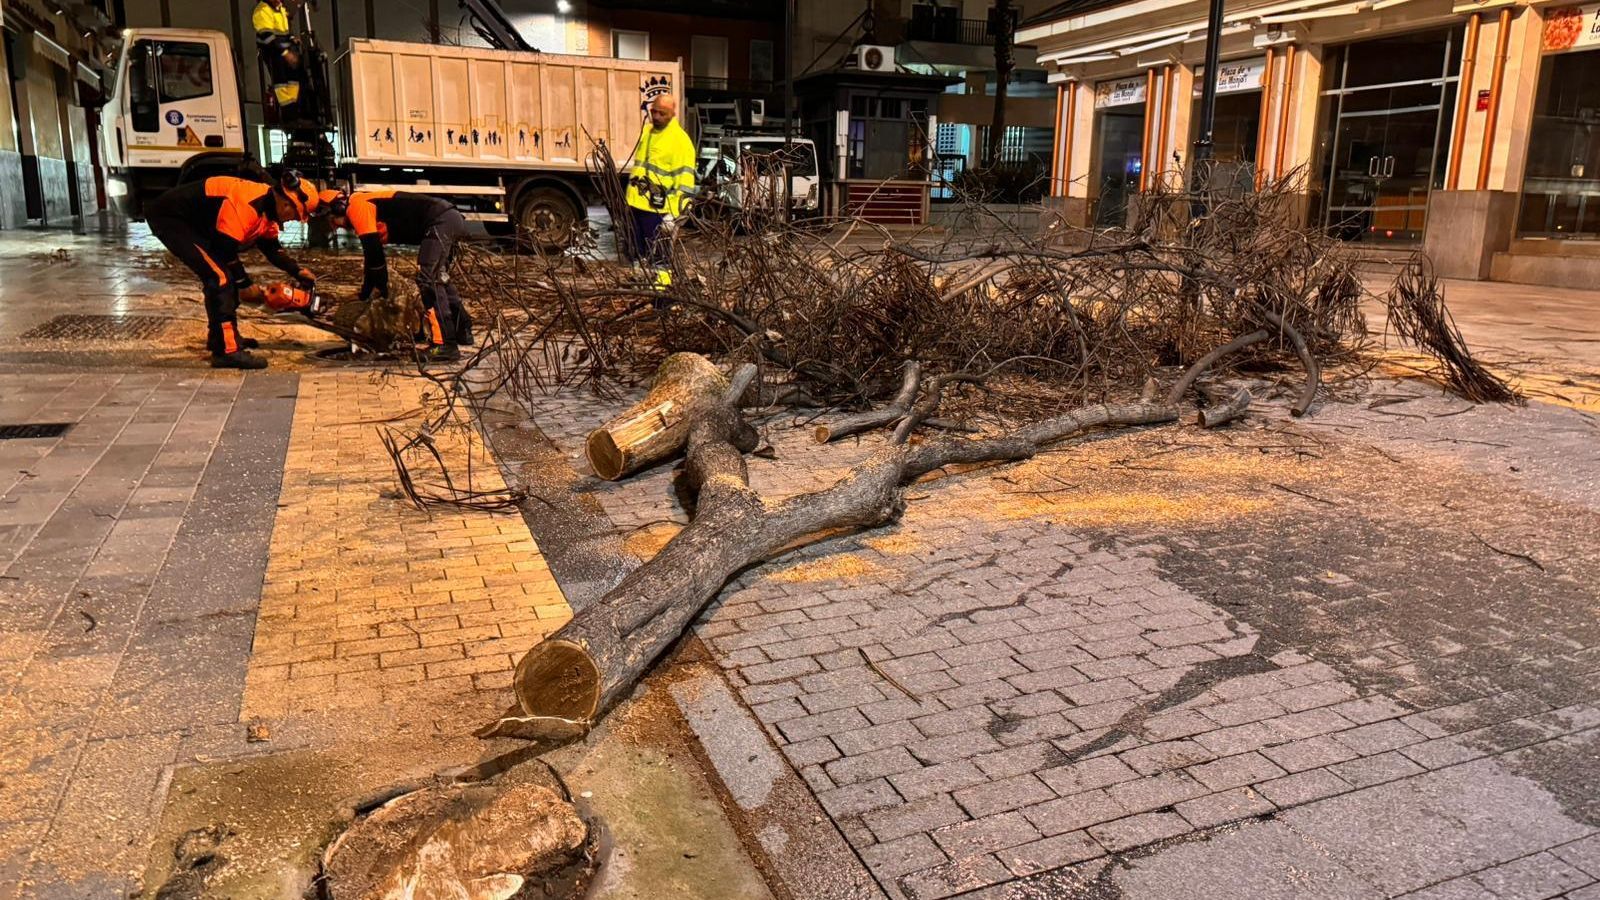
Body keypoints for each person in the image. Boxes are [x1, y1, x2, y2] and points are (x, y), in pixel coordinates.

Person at [145, 171, 319, 369]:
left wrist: (297, 271)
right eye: (295, 216)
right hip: (173, 219)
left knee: (222, 277)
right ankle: (227, 351)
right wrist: (244, 283)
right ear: (288, 204)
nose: (293, 220)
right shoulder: (248, 204)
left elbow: (271, 247)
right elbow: (224, 250)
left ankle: (221, 338)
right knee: (220, 278)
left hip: (199, 224)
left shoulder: (267, 210)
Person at [319, 189, 474, 362]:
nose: (336, 226)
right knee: (439, 277)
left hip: (440, 220)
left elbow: (375, 258)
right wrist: (365, 293)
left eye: (333, 221)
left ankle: (445, 344)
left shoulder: (356, 207)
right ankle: (462, 329)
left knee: (428, 278)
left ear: (339, 207)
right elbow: (373, 261)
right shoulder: (368, 204)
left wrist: (376, 290)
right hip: (449, 217)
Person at [624, 94, 696, 286]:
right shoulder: (648, 133)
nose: (656, 116)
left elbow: (685, 184)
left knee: (660, 259)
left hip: (660, 211)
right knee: (638, 255)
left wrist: (674, 216)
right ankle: (643, 290)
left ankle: (661, 296)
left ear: (672, 113)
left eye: (661, 113)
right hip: (637, 205)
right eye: (653, 111)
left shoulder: (680, 141)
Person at [253, 0, 302, 115]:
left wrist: (292, 39)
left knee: (296, 72)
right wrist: (286, 54)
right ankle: (288, 112)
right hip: (270, 50)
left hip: (281, 46)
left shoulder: (281, 9)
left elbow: (284, 32)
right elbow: (267, 38)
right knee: (281, 78)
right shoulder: (262, 11)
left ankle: (295, 107)